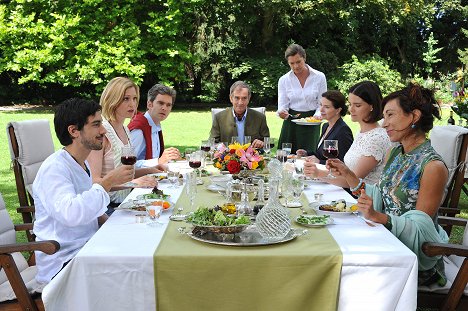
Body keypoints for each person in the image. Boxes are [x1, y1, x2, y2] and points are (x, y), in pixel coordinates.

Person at [327, 83, 449, 286]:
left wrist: (378, 217)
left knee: (340, 269)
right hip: (383, 240)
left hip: (410, 262)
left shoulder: (432, 166)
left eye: (391, 115)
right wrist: (349, 174)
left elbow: (421, 233)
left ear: (414, 116)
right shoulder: (396, 153)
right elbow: (382, 195)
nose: (384, 124)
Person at [32, 98, 134, 284]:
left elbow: (92, 210)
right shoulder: (54, 169)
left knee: (138, 252)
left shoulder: (82, 163)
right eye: (96, 124)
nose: (103, 130)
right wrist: (107, 182)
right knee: (132, 272)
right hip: (64, 262)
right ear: (74, 131)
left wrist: (118, 226)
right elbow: (71, 214)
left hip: (88, 249)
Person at [87, 77, 158, 211]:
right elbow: (94, 182)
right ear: (113, 100)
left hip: (126, 202)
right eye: (126, 99)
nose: (132, 104)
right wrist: (133, 183)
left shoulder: (125, 129)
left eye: (134, 98)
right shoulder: (101, 133)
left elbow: (124, 173)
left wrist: (152, 170)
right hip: (106, 208)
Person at [304, 81, 391, 187]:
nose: (351, 109)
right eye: (350, 104)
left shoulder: (376, 138)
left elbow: (353, 181)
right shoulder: (362, 132)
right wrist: (337, 168)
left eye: (357, 105)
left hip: (363, 199)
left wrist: (318, 174)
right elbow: (348, 171)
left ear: (372, 106)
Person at [277, 43, 327, 154]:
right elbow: (282, 105)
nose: (296, 66)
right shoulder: (283, 80)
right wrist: (282, 113)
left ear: (304, 58)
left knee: (309, 157)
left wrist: (318, 114)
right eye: (292, 63)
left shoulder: (319, 77)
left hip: (312, 121)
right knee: (286, 157)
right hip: (291, 122)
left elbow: (322, 103)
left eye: (298, 62)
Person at [128, 83, 181, 167]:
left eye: (168, 105)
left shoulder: (155, 126)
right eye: (160, 103)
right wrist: (158, 161)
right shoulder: (139, 129)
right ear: (149, 104)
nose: (164, 108)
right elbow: (128, 164)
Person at [296, 90, 353, 164]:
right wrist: (307, 153)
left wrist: (320, 162)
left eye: (327, 107)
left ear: (338, 110)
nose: (321, 110)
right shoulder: (325, 126)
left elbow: (344, 161)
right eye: (321, 105)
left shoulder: (343, 130)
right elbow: (323, 154)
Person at [209, 80, 270, 148]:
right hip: (227, 157)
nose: (240, 102)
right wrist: (219, 146)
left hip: (252, 157)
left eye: (244, 98)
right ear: (231, 98)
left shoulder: (260, 117)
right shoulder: (219, 117)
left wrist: (261, 143)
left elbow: (267, 141)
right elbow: (212, 142)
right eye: (237, 98)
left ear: (249, 99)